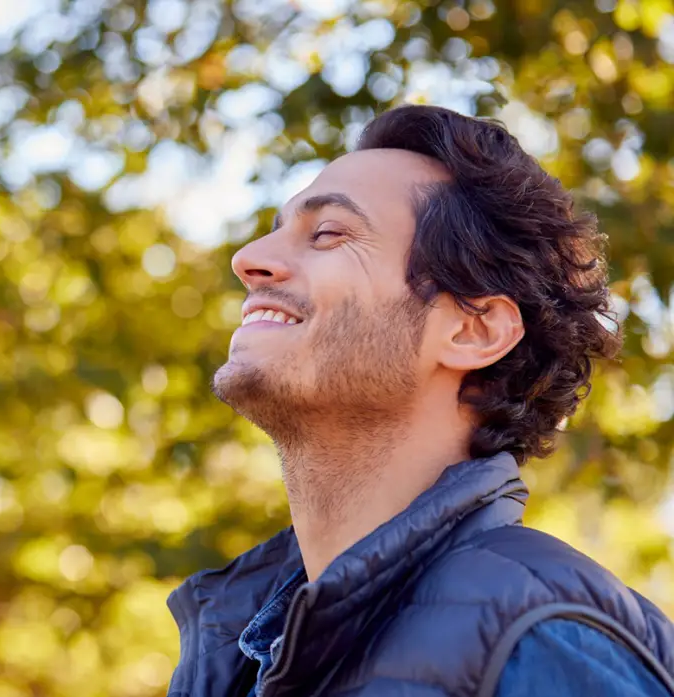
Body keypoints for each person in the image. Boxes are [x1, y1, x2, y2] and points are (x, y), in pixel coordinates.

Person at [165, 104, 674, 697]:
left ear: (473, 330)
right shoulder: (240, 657)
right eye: (277, 228)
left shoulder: (542, 640)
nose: (249, 259)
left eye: (328, 233)